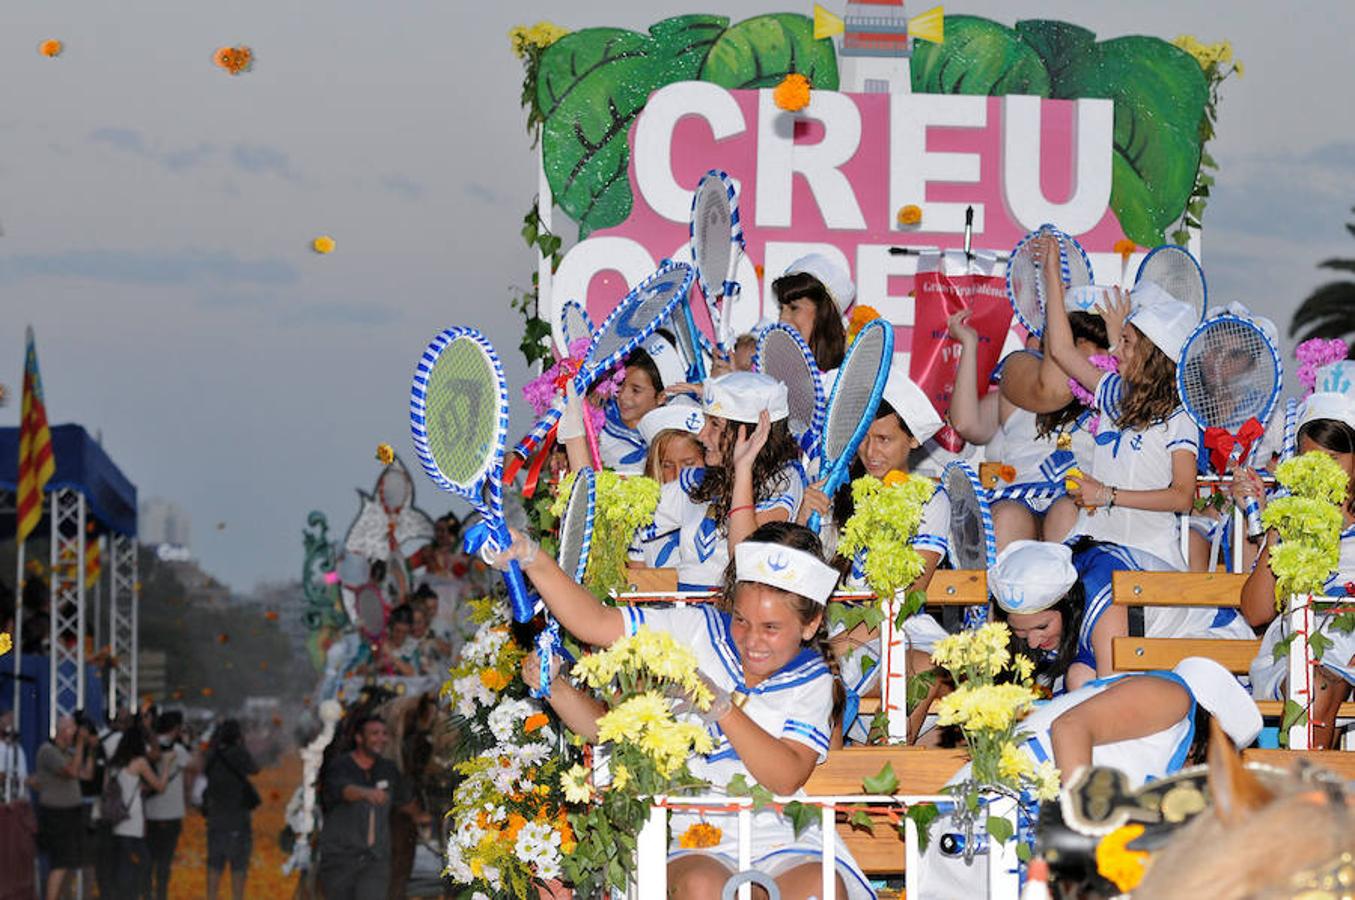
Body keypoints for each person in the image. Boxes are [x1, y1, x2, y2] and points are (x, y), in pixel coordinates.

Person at [492, 521, 875, 899]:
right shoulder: (693, 627)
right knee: (703, 886)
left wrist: (719, 705)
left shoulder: (814, 678)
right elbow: (595, 623)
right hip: (693, 832)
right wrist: (531, 557)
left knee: (821, 888)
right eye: (741, 620)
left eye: (771, 627)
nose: (752, 639)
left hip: (784, 835)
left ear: (811, 625)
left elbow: (787, 776)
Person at [919, 656, 1261, 895]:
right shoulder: (1174, 698)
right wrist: (1081, 828)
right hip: (990, 826)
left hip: (994, 831)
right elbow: (1070, 728)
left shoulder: (1161, 754)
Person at [1243, 362, 1355, 748]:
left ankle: (1307, 791)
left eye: (1334, 460)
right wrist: (1279, 526)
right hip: (1298, 647)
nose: (1321, 472)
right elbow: (1256, 612)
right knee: (1313, 674)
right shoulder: (1291, 513)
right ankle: (1310, 792)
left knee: (1323, 671)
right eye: (1310, 460)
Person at [948, 297, 1111, 547]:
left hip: (1076, 499)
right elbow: (967, 424)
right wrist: (969, 345)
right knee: (1005, 519)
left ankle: (1070, 586)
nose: (1098, 355)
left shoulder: (1110, 395)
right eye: (1081, 344)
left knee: (1067, 513)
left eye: (1105, 347)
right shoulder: (1020, 387)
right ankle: (1004, 585)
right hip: (1018, 496)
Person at [649, 372, 806, 590]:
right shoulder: (702, 478)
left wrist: (743, 468)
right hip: (685, 611)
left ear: (751, 432)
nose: (701, 435)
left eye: (714, 425)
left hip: (733, 615)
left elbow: (743, 560)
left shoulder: (783, 480)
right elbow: (633, 515)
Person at [317, 715, 420, 900]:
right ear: (359, 738)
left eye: (384, 734)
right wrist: (367, 793)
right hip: (340, 859)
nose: (381, 739)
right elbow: (343, 790)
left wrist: (425, 816)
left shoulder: (388, 768)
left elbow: (405, 802)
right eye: (374, 734)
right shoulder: (340, 765)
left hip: (375, 860)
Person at [630, 401, 707, 569]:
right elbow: (639, 576)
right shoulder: (645, 513)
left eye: (689, 464)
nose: (679, 474)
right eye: (667, 465)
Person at [33, 714, 94, 900]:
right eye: (72, 729)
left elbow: (87, 774)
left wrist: (90, 749)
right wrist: (82, 744)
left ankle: (67, 896)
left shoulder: (67, 752)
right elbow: (72, 772)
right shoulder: (48, 751)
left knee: (72, 863)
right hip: (56, 815)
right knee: (60, 863)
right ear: (62, 730)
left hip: (73, 813)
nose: (75, 733)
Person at [106, 725, 168, 900]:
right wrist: (167, 766)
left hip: (117, 819)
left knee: (123, 866)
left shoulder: (114, 763)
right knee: (143, 864)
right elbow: (160, 786)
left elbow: (108, 789)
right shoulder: (139, 762)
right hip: (133, 821)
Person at [203, 719, 258, 900]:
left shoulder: (211, 754)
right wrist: (242, 746)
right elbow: (254, 769)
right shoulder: (239, 753)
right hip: (237, 819)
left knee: (214, 866)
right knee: (238, 867)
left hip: (215, 818)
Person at [774, 254, 852, 372]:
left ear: (823, 314)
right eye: (781, 309)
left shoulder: (849, 380)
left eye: (794, 308)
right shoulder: (768, 376)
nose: (782, 319)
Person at [144, 711, 190, 900]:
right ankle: (161, 895)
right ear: (176, 729)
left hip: (149, 812)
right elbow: (195, 765)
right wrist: (187, 742)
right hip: (171, 813)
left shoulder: (148, 748)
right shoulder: (178, 750)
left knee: (149, 858)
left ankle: (146, 894)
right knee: (164, 860)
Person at [376, 605, 420, 677]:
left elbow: (413, 674)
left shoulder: (413, 647)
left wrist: (391, 657)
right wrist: (377, 666)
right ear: (391, 627)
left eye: (405, 632)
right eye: (397, 631)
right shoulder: (380, 643)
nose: (400, 636)